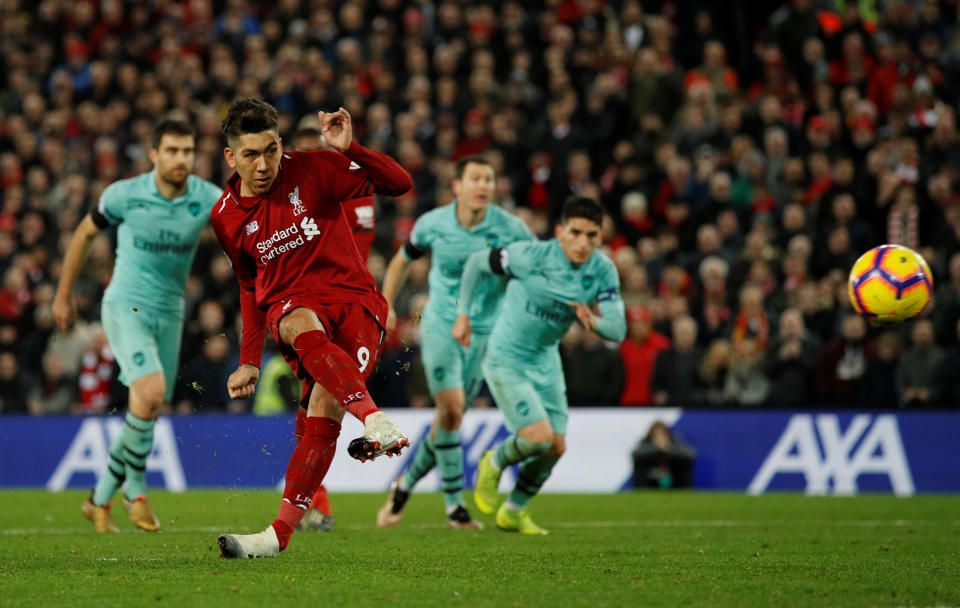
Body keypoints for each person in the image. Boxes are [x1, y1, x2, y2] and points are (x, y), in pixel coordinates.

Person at [210, 99, 413, 559]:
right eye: (249, 155)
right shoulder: (224, 216)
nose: (262, 165)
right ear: (230, 158)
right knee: (295, 319)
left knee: (323, 408)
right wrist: (248, 360)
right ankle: (277, 536)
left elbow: (400, 184)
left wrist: (352, 147)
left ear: (280, 144)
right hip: (299, 313)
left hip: (358, 307)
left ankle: (278, 534)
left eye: (270, 151)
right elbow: (248, 284)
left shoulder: (317, 167)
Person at [52, 119, 222, 533]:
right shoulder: (125, 194)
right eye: (173, 150)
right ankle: (136, 492)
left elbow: (248, 231)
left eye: (188, 151)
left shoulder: (208, 198)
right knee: (152, 391)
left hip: (171, 311)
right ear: (154, 154)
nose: (181, 158)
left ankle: (98, 500)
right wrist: (63, 295)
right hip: (126, 304)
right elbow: (83, 235)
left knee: (146, 405)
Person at [375, 155, 532, 530]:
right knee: (454, 408)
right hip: (441, 327)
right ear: (458, 186)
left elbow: (538, 266)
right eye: (476, 178)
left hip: (484, 335)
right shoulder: (433, 224)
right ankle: (453, 508)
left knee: (448, 418)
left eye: (489, 180)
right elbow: (399, 262)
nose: (483, 186)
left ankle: (404, 486)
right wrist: (386, 304)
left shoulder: (511, 228)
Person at [456, 196, 626, 534]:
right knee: (538, 437)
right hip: (506, 357)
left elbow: (618, 329)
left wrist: (594, 322)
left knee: (556, 446)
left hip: (546, 360)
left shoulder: (603, 270)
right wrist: (463, 315)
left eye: (591, 235)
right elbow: (477, 262)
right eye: (575, 232)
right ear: (561, 232)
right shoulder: (530, 256)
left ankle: (513, 511)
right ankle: (495, 461)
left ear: (600, 237)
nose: (582, 243)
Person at [631, 421, 697, 488]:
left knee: (685, 464)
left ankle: (685, 491)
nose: (660, 437)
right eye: (656, 435)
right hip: (651, 478)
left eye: (663, 434)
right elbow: (635, 454)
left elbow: (691, 454)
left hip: (674, 478)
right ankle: (641, 491)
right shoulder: (646, 442)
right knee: (639, 464)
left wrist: (668, 449)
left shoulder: (674, 442)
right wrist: (656, 448)